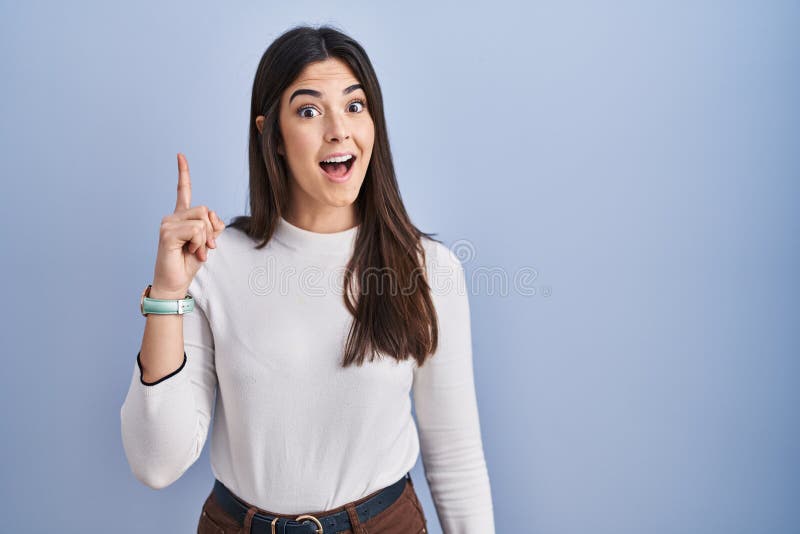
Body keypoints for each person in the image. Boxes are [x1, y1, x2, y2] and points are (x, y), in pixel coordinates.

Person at [120, 24, 495, 534]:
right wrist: (167, 294)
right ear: (271, 135)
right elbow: (155, 463)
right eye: (309, 110)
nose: (338, 129)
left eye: (355, 106)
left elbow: (456, 461)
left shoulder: (429, 271)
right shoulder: (214, 262)